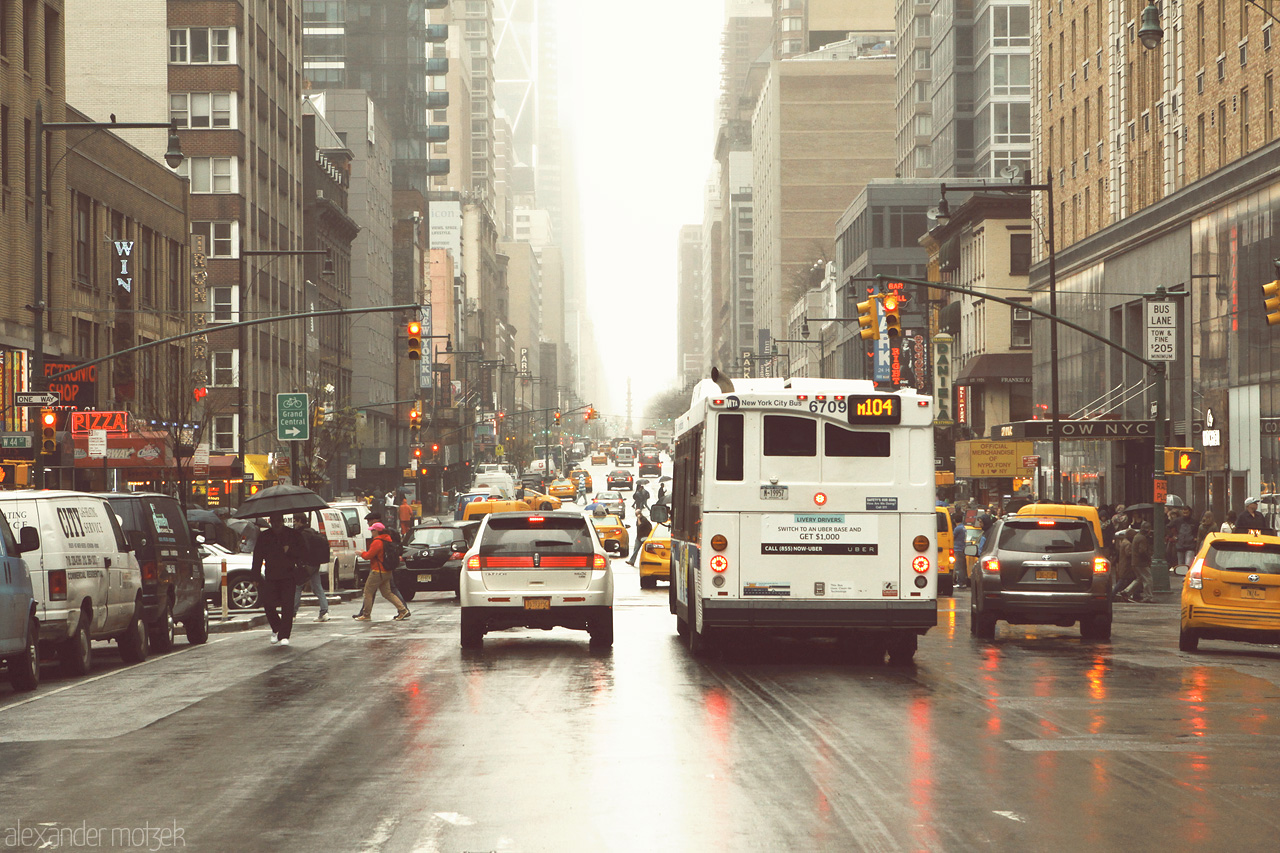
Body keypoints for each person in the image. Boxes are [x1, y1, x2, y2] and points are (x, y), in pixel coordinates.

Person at [251, 513, 306, 645]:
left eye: (278, 521)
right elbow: (257, 556)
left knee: (287, 606)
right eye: (274, 521)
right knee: (268, 603)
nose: (276, 524)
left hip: (288, 575)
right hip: (271, 575)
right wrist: (255, 575)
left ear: (282, 521)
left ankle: (285, 634)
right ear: (270, 522)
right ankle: (276, 628)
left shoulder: (292, 535)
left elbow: (303, 552)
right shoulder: (264, 536)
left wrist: (289, 551)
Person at [354, 522, 410, 621]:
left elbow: (368, 556)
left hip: (377, 571)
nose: (371, 532)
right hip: (387, 571)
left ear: (377, 531)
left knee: (368, 592)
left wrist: (361, 553)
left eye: (373, 530)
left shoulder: (377, 542)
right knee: (387, 593)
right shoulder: (387, 540)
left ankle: (366, 615)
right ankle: (403, 610)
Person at [292, 513, 331, 622]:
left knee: (297, 586)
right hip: (315, 564)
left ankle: (292, 613)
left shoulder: (302, 534)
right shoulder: (312, 531)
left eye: (295, 521)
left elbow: (302, 550)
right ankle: (324, 612)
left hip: (306, 564)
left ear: (300, 521)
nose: (293, 524)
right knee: (317, 587)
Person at [1121, 522, 1154, 603]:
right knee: (1148, 579)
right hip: (1141, 563)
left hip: (1135, 562)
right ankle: (1148, 596)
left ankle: (1127, 591)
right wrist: (1148, 558)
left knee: (1139, 578)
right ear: (1147, 530)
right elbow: (1142, 551)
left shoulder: (1137, 536)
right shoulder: (1142, 538)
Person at [1112, 527, 1135, 602]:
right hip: (1126, 565)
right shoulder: (1128, 544)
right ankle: (1113, 594)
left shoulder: (1123, 542)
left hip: (1123, 564)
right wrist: (1134, 553)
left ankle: (1124, 594)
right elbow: (1128, 553)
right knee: (1122, 580)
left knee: (1125, 580)